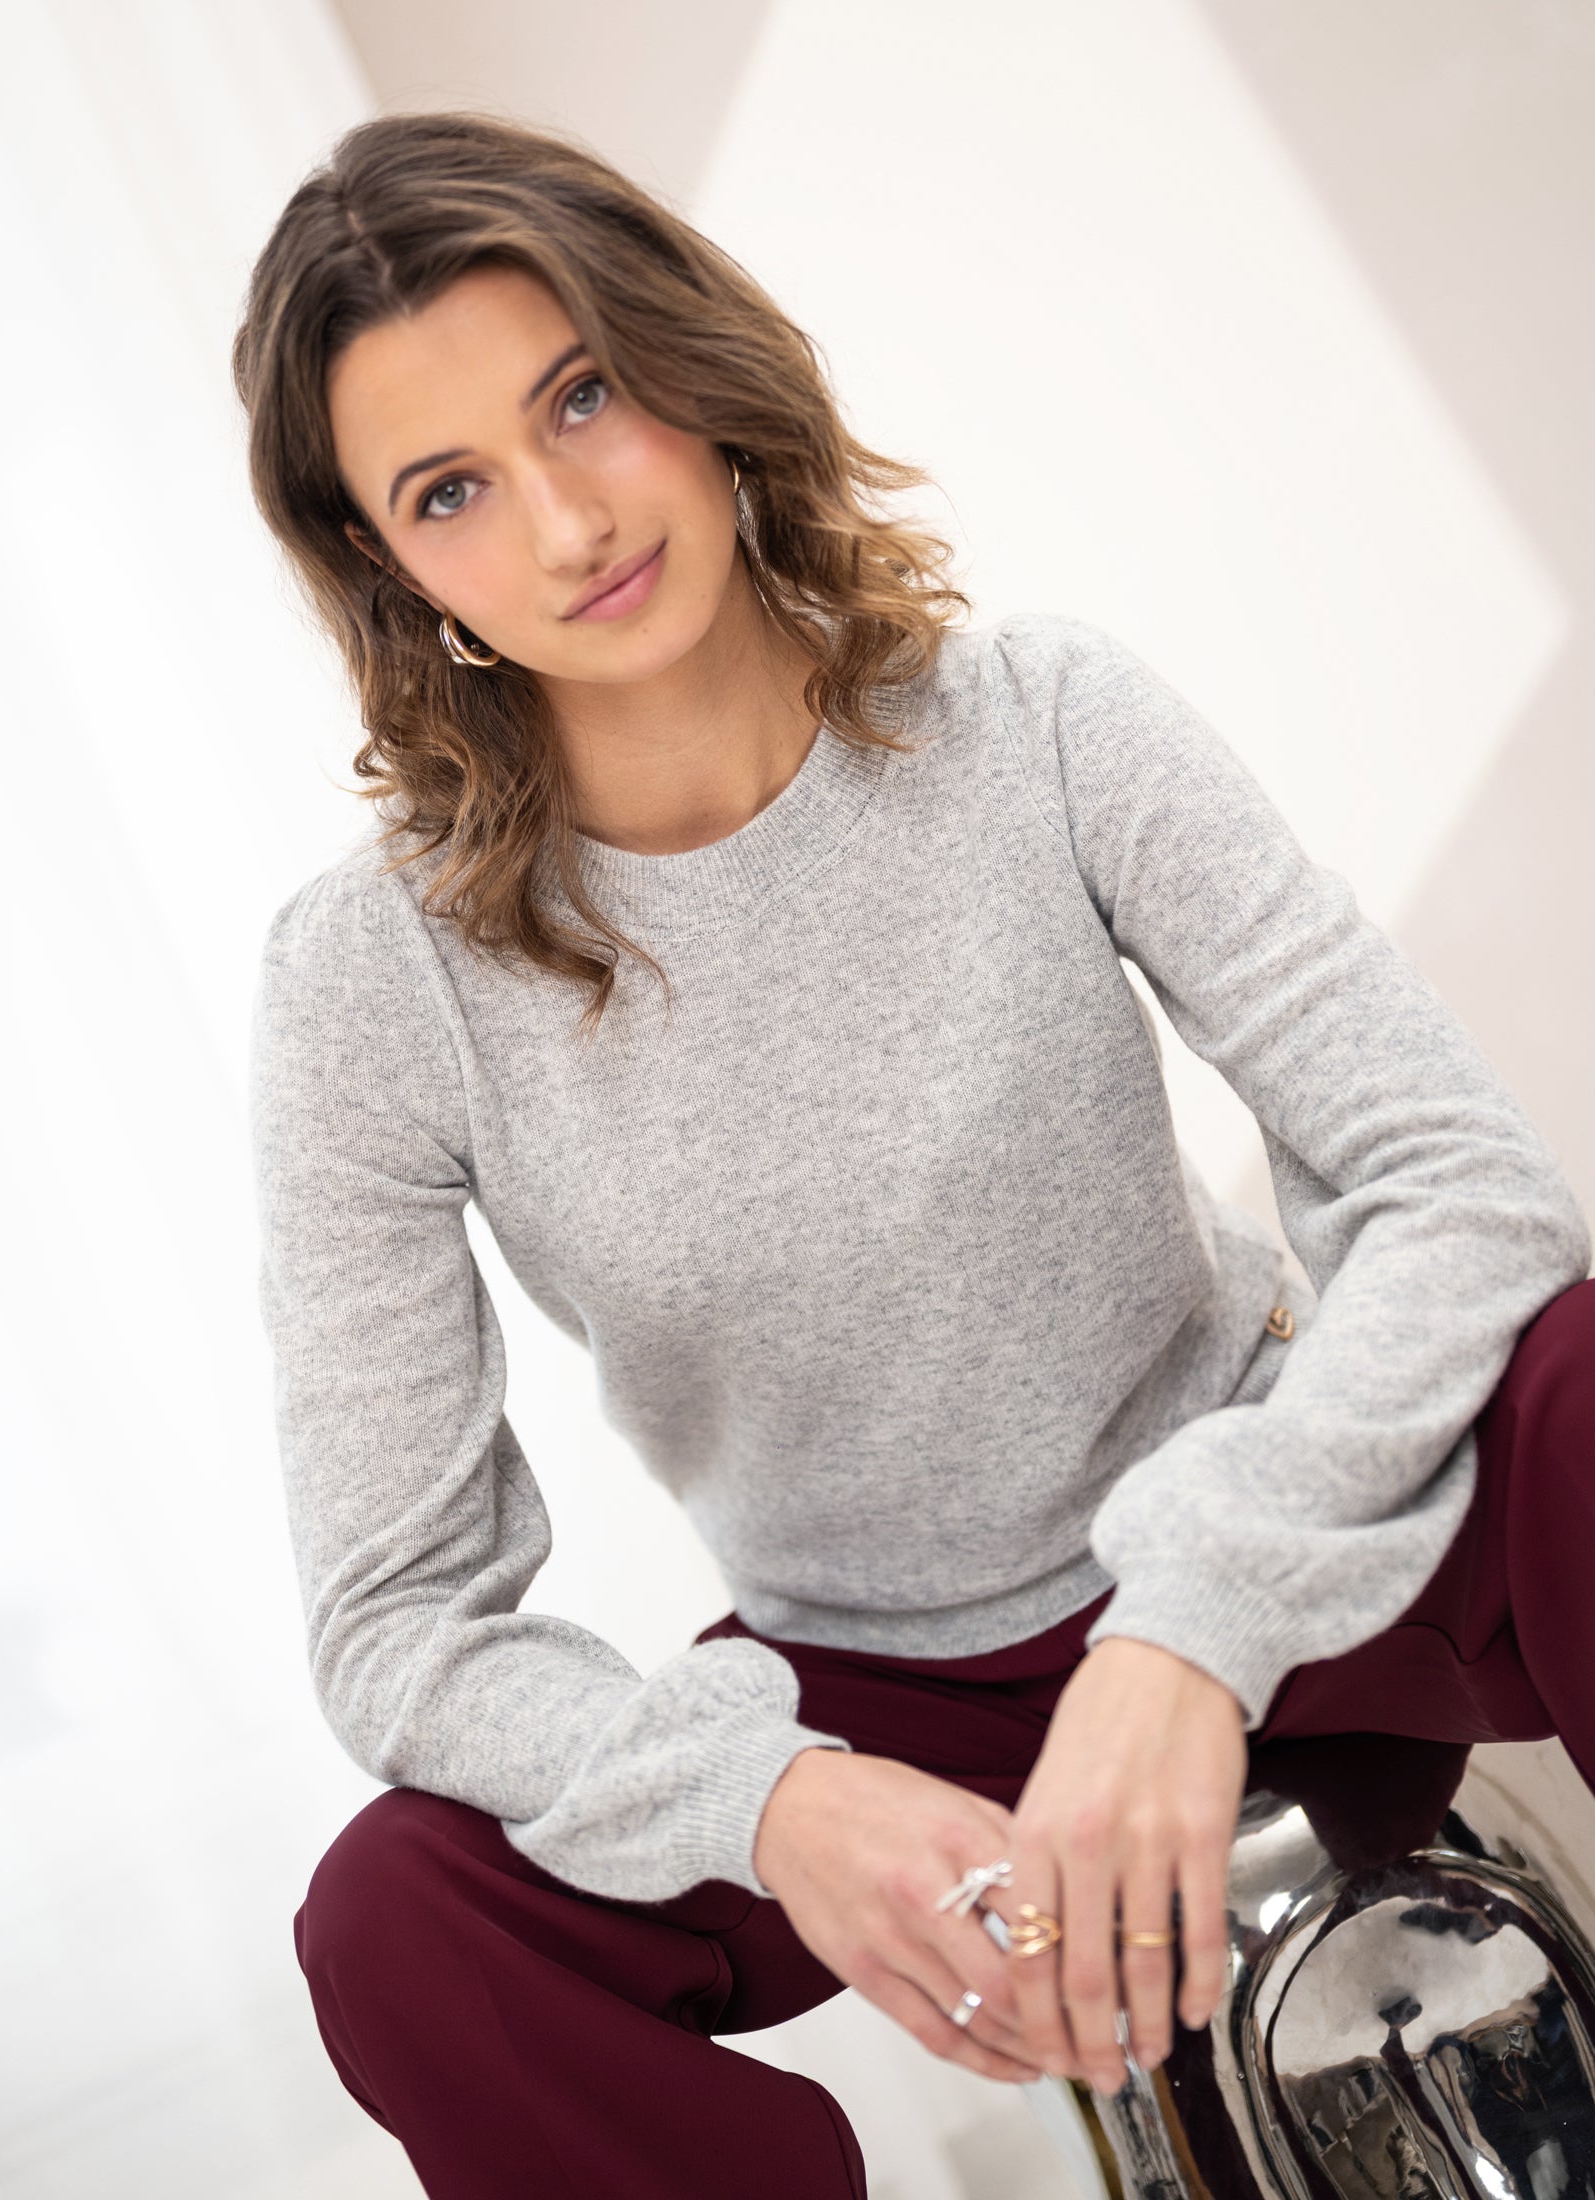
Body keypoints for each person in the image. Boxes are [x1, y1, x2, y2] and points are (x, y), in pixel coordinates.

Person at [231, 108, 1594, 2200]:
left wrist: (1189, 1619)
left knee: (1579, 1372)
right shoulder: (371, 982)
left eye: (580, 395)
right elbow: (398, 1621)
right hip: (883, 1704)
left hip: (1284, 1555)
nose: (566, 517)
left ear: (686, 362)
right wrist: (779, 1800)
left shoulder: (1040, 718)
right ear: (390, 567)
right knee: (398, 1919)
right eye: (451, 489)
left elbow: (1465, 1185)